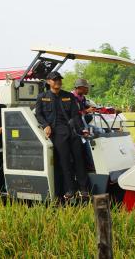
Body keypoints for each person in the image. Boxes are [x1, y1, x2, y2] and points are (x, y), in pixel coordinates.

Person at [35, 71, 90, 200]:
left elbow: (75, 115)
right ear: (49, 81)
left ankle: (83, 188)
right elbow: (39, 115)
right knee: (64, 161)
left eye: (59, 79)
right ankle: (70, 189)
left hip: (72, 130)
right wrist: (45, 125)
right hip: (56, 132)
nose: (58, 81)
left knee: (79, 159)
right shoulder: (42, 97)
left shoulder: (68, 96)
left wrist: (81, 130)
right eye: (55, 79)